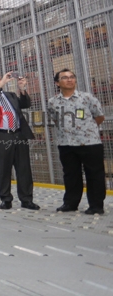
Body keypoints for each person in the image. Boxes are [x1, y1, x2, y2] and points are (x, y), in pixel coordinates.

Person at [47, 69, 106, 215]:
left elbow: (99, 117)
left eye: (72, 77)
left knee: (94, 174)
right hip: (66, 144)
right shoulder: (53, 102)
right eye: (65, 77)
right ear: (57, 83)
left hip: (89, 143)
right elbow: (55, 119)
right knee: (70, 174)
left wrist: (87, 130)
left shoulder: (87, 98)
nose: (69, 80)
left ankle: (96, 206)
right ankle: (70, 203)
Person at [0, 72, 39, 210]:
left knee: (24, 169)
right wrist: (2, 83)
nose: (0, 80)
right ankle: (6, 199)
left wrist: (22, 89)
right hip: (0, 135)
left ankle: (26, 199)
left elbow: (26, 104)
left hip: (18, 134)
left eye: (0, 78)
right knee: (4, 169)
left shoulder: (10, 95)